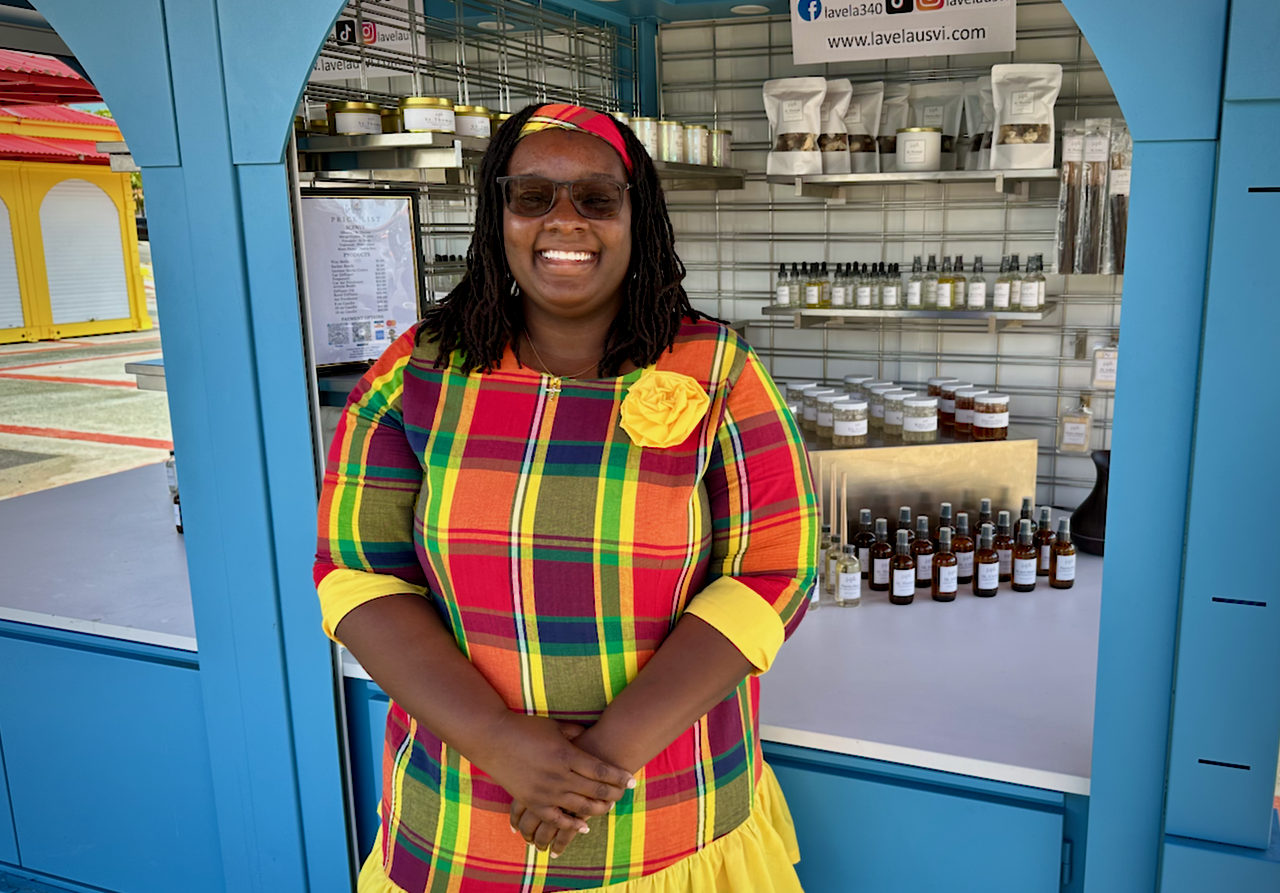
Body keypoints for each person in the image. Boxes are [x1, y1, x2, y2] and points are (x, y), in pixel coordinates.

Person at [314, 102, 818, 893]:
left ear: (635, 216)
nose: (564, 221)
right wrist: (502, 742)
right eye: (533, 196)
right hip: (459, 818)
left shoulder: (718, 371)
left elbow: (774, 573)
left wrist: (597, 761)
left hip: (670, 813)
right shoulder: (417, 372)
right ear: (497, 214)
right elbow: (357, 575)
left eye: (595, 197)